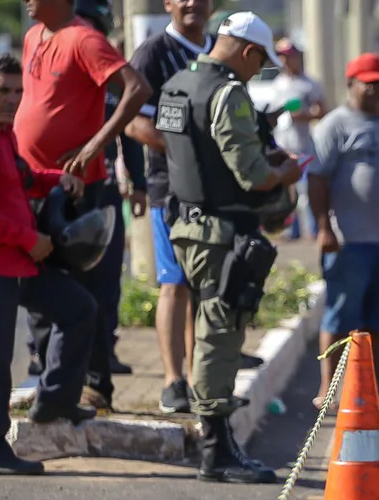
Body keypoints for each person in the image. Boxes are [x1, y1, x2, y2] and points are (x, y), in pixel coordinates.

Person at [156, 11, 301, 483]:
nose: (256, 73)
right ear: (247, 50)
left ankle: (217, 441)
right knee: (220, 331)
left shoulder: (178, 82)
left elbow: (188, 150)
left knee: (209, 325)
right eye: (258, 63)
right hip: (220, 232)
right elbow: (252, 175)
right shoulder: (228, 92)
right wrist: (284, 173)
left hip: (186, 225)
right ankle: (216, 451)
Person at [0, 52, 98, 476]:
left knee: (79, 310)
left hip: (14, 260)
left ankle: (55, 403)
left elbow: (22, 180)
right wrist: (30, 239)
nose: (13, 98)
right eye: (2, 91)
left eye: (17, 90)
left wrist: (57, 179)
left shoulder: (1, 132)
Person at [16, 0, 151, 409]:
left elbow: (138, 88)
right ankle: (53, 383)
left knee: (85, 293)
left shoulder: (84, 39)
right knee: (39, 290)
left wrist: (95, 146)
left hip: (77, 190)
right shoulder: (33, 36)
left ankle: (95, 387)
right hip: (35, 186)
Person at [307, 52, 379, 412]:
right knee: (341, 316)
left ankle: (376, 388)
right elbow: (316, 178)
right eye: (368, 83)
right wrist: (324, 227)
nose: (375, 89)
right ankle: (328, 390)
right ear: (351, 84)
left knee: (378, 317)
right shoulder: (334, 125)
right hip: (349, 239)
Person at [123, 0, 221, 414]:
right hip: (171, 189)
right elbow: (132, 122)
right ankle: (172, 380)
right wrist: (183, 149)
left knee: (209, 285)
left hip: (217, 190)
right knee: (175, 283)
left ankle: (204, 375)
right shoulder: (153, 53)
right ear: (168, 3)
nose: (191, 3)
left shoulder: (219, 50)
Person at [270, 38, 328, 241]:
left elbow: (322, 110)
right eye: (282, 57)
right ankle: (291, 230)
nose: (286, 61)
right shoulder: (278, 84)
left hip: (303, 144)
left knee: (307, 190)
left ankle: (313, 229)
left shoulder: (309, 84)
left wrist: (303, 115)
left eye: (289, 56)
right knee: (288, 189)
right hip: (283, 144)